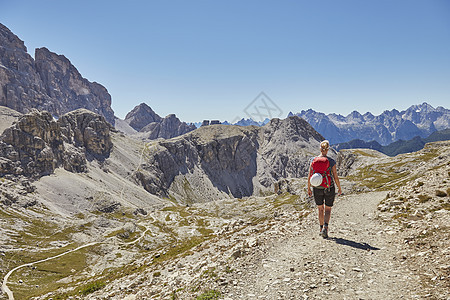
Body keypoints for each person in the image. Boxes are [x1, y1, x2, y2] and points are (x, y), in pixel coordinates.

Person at [307, 140, 342, 238]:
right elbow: (335, 176)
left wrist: (309, 188)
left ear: (320, 149)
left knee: (320, 209)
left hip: (317, 188)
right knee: (328, 209)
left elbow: (310, 175)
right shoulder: (331, 161)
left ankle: (320, 228)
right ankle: (325, 228)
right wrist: (339, 188)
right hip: (329, 187)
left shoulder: (313, 160)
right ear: (327, 150)